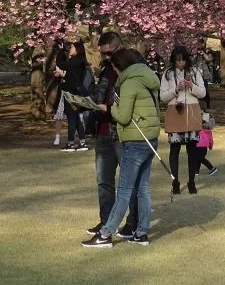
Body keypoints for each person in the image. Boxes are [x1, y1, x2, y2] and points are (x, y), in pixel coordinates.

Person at [82, 48, 160, 248]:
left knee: (124, 190)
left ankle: (105, 234)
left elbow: (123, 117)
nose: (114, 72)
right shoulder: (148, 78)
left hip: (135, 141)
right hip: (150, 139)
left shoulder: (129, 83)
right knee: (142, 188)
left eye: (115, 68)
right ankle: (141, 233)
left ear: (120, 66)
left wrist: (109, 108)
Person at [86, 31, 138, 239]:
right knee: (104, 180)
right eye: (103, 54)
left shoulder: (132, 69)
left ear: (119, 47)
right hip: (103, 130)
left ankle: (132, 222)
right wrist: (86, 102)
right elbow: (99, 95)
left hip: (122, 132)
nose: (106, 57)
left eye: (109, 53)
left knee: (128, 181)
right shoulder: (106, 70)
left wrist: (109, 107)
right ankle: (106, 221)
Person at [160, 45, 207, 194]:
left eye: (183, 60)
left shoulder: (195, 71)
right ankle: (175, 182)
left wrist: (191, 85)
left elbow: (203, 93)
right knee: (174, 149)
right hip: (175, 110)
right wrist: (176, 90)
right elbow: (162, 96)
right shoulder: (168, 74)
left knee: (192, 149)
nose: (181, 63)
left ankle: (191, 181)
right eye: (178, 60)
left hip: (191, 111)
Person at [55, 39, 91, 152]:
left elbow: (60, 64)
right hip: (76, 92)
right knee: (76, 118)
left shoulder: (75, 61)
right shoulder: (79, 61)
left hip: (71, 93)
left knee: (71, 118)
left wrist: (61, 51)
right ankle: (82, 142)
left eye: (72, 47)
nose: (70, 49)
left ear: (77, 50)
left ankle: (71, 143)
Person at [195, 111, 218, 176]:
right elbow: (210, 140)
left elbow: (210, 140)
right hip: (200, 145)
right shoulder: (202, 129)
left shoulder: (202, 129)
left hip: (201, 145)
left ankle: (212, 168)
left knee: (200, 158)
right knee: (198, 158)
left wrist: (210, 146)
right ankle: (196, 171)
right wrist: (210, 146)